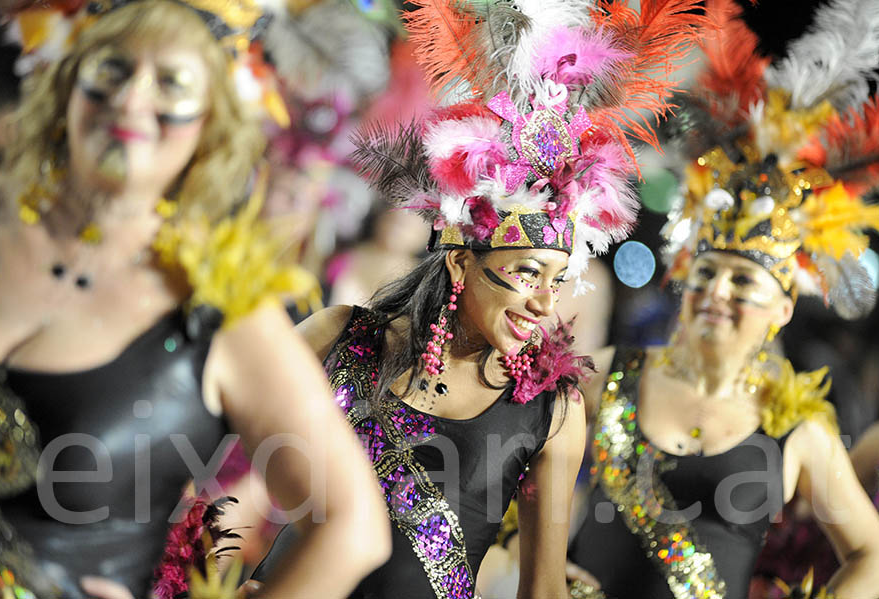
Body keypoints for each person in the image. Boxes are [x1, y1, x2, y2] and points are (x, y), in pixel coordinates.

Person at [247, 1, 707, 597]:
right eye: (526, 273)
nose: (546, 303)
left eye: (557, 280)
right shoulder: (342, 334)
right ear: (463, 261)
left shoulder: (552, 412)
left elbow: (541, 590)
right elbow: (226, 449)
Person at [0, 1, 389, 597]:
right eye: (112, 70)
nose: (131, 101)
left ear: (213, 120)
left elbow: (353, 526)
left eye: (172, 83)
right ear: (67, 78)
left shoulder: (220, 308)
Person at [567, 0, 879, 597]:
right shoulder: (611, 373)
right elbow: (523, 471)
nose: (717, 290)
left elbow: (875, 556)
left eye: (744, 283)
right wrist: (528, 554)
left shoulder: (798, 431)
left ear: (783, 309)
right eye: (707, 272)